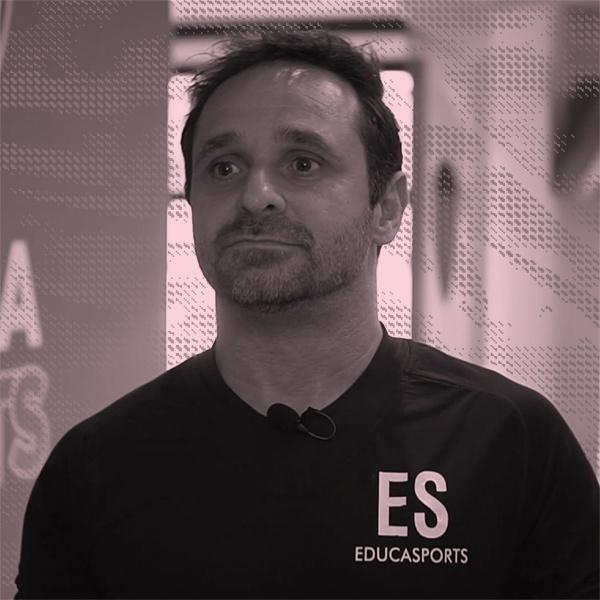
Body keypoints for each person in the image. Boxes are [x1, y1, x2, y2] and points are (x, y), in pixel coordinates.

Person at [15, 30, 598, 599]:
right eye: (224, 167)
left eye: (302, 163)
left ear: (386, 208)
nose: (256, 196)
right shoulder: (98, 466)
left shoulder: (508, 440)